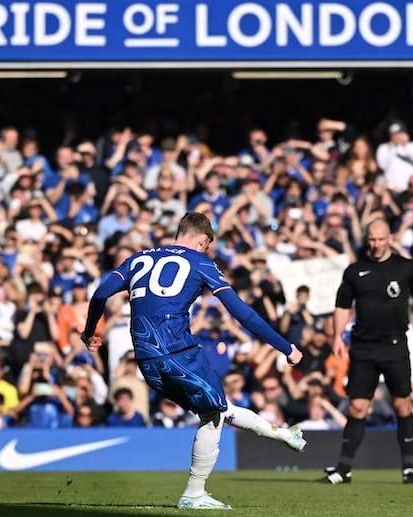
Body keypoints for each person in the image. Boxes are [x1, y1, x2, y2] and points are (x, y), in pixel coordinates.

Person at [80, 211, 305, 510]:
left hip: (147, 360)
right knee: (214, 412)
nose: (207, 250)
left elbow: (100, 294)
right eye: (208, 245)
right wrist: (285, 346)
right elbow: (242, 313)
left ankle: (280, 434)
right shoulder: (200, 262)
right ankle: (194, 493)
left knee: (215, 408)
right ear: (202, 239)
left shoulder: (138, 259)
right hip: (179, 352)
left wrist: (89, 331)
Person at [318, 219, 413, 485]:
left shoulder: (406, 268)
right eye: (372, 239)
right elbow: (342, 306)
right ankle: (343, 470)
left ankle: (408, 467)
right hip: (363, 348)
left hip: (395, 346)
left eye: (381, 239)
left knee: (402, 404)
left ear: (390, 238)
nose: (376, 244)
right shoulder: (355, 271)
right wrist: (337, 336)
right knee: (357, 407)